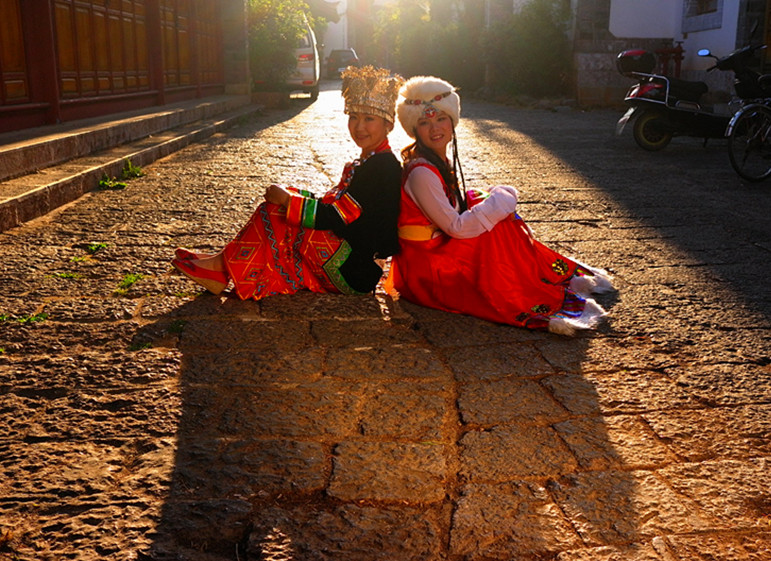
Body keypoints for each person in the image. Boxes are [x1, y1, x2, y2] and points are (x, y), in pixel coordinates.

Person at [385, 76, 614, 335]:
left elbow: (455, 204)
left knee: (487, 205)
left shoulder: (435, 160)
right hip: (427, 268)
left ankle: (530, 276)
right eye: (424, 123)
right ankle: (525, 285)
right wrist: (501, 202)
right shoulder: (422, 173)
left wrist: (492, 201)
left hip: (434, 248)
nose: (434, 128)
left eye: (441, 119)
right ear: (414, 129)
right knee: (499, 222)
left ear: (452, 120)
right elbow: (456, 228)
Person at [171, 66, 404, 300]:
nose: (359, 126)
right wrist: (292, 197)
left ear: (388, 125)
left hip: (355, 270)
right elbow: (332, 205)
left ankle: (220, 268)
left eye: (369, 119)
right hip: (349, 257)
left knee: (277, 212)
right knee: (284, 205)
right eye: (354, 117)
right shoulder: (370, 160)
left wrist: (287, 200)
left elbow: (336, 216)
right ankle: (222, 264)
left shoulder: (383, 167)